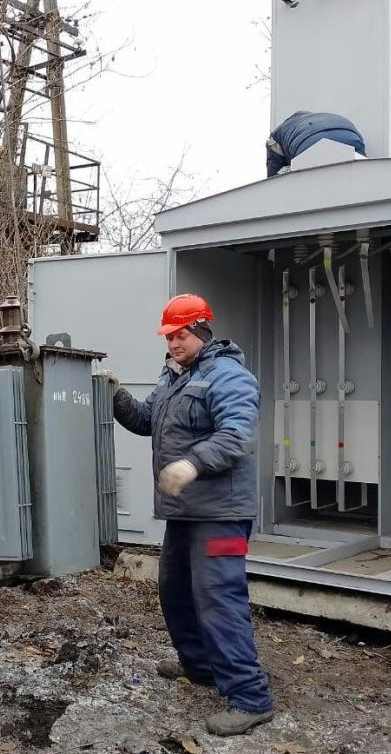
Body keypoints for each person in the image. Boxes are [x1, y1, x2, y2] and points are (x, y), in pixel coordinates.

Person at [99, 294, 273, 737]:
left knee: (220, 597)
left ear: (200, 331)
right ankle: (199, 666)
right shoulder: (174, 378)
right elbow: (145, 420)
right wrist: (116, 396)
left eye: (180, 335)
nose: (173, 343)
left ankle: (251, 697)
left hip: (222, 515)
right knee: (174, 589)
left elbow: (236, 437)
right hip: (185, 514)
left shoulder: (229, 376)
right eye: (169, 336)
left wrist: (192, 463)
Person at [267, 109, 366, 176]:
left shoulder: (278, 133)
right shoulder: (324, 117)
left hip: (308, 143)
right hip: (351, 137)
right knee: (362, 173)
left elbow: (274, 172)